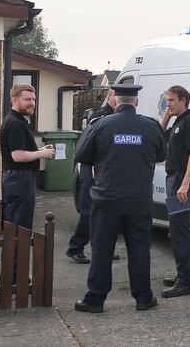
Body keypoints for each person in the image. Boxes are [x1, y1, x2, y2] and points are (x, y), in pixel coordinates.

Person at [74, 84, 166, 313]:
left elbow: (82, 156)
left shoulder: (100, 125)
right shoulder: (151, 126)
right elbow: (162, 155)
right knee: (140, 249)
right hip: (139, 200)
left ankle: (95, 299)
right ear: (136, 101)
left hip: (106, 200)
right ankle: (143, 298)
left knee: (102, 250)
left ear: (115, 100)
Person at [159, 85, 190, 298]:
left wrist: (185, 183)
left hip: (180, 179)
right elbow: (160, 137)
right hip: (174, 178)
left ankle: (186, 281)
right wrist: (166, 116)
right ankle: (185, 274)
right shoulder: (179, 121)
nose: (168, 103)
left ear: (183, 100)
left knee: (180, 229)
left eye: (171, 100)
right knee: (178, 228)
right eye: (167, 100)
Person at [66, 89, 115, 264]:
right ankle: (75, 248)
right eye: (116, 96)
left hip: (104, 170)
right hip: (91, 169)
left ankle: (102, 249)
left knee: (105, 212)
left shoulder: (112, 116)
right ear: (110, 97)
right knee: (88, 211)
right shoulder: (99, 116)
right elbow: (93, 145)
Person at [0, 83, 55, 230]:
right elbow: (17, 156)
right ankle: (17, 254)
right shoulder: (15, 124)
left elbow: (21, 150)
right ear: (14, 100)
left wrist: (39, 150)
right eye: (27, 99)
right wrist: (41, 153)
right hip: (19, 181)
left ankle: (15, 253)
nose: (32, 103)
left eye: (33, 99)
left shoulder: (16, 121)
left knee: (15, 225)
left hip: (17, 180)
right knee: (19, 227)